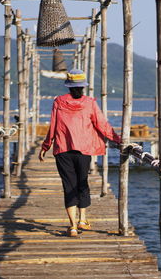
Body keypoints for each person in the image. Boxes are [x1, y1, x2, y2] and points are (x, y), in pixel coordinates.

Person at [38, 69, 121, 237]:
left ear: (68, 86)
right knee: (82, 182)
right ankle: (83, 219)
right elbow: (102, 124)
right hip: (84, 150)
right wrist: (118, 140)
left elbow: (53, 126)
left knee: (69, 185)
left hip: (63, 150)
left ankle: (73, 226)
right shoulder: (90, 103)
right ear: (83, 87)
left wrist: (45, 146)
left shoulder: (59, 102)